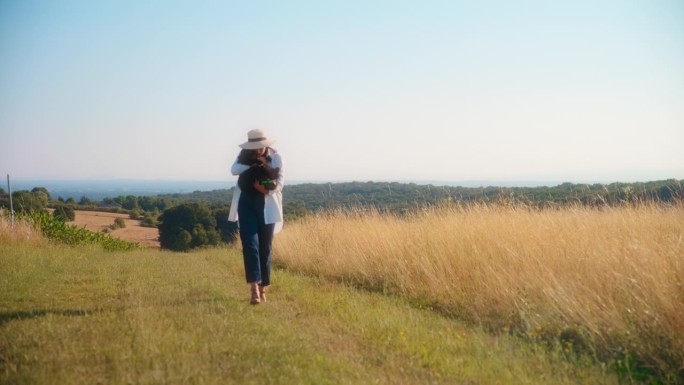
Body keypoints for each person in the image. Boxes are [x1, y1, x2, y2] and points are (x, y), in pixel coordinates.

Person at [228, 129, 284, 305]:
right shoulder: (244, 155)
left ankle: (263, 287)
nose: (257, 150)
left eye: (260, 147)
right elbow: (234, 170)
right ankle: (254, 289)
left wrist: (265, 188)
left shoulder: (276, 157)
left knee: (265, 248)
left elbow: (278, 183)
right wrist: (253, 165)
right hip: (246, 202)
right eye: (254, 147)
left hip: (266, 202)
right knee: (249, 244)